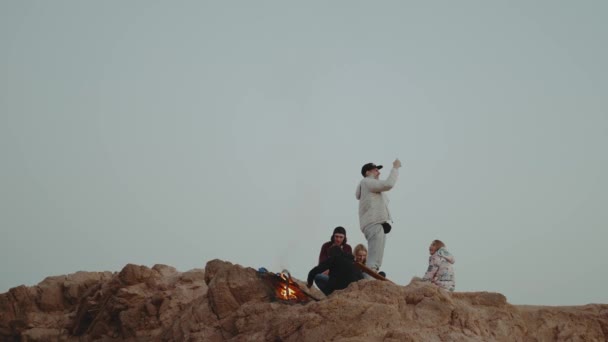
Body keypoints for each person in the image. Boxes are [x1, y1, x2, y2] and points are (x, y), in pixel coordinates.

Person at [355, 159, 401, 276]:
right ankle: (367, 282)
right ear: (367, 172)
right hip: (374, 224)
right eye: (375, 170)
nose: (378, 172)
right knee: (374, 260)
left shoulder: (367, 185)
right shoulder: (367, 181)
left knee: (376, 259)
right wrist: (395, 168)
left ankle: (369, 279)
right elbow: (388, 184)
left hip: (373, 224)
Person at [314, 227, 353, 293]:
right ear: (333, 236)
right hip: (327, 276)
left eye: (341, 237)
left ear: (344, 238)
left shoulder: (347, 248)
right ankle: (329, 295)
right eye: (336, 236)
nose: (338, 239)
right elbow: (322, 263)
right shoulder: (326, 246)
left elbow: (348, 265)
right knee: (317, 276)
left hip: (341, 278)